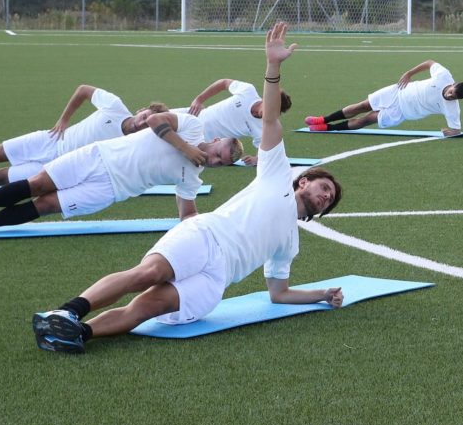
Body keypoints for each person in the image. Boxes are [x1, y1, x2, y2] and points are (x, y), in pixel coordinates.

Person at [31, 22, 343, 354]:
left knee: (147, 307)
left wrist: (322, 295)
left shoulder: (291, 243)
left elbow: (279, 293)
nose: (325, 196)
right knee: (147, 274)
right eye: (325, 187)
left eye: (329, 199)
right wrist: (273, 67)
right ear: (304, 181)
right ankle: (68, 310)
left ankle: (75, 332)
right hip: (206, 236)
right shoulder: (275, 173)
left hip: (216, 280)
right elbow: (269, 120)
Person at [0, 111, 242, 234]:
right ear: (216, 141)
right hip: (99, 156)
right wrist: (186, 148)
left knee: (45, 204)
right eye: (218, 153)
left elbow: (187, 214)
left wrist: (210, 226)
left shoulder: (192, 178)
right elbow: (155, 122)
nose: (215, 160)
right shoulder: (191, 126)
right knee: (36, 183)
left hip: (109, 189)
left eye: (221, 163)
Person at [0, 85, 164, 194]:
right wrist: (64, 119)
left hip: (54, 167)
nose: (144, 122)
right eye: (146, 116)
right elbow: (83, 90)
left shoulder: (132, 145)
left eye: (149, 125)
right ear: (141, 110)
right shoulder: (115, 106)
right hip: (50, 140)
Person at [305, 60, 463, 137]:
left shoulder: (452, 108)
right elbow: (429, 63)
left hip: (401, 112)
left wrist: (450, 132)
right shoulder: (444, 76)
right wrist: (409, 73)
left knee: (366, 120)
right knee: (361, 106)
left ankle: (327, 128)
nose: (449, 95)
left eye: (453, 97)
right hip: (397, 91)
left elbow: (456, 129)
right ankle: (321, 119)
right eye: (451, 91)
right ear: (452, 84)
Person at [177, 78, 291, 165]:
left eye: (274, 112)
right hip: (190, 115)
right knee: (159, 115)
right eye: (270, 107)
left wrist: (257, 159)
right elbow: (224, 83)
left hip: (197, 142)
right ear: (267, 99)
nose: (269, 113)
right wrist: (199, 100)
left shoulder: (262, 127)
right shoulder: (248, 91)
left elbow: (265, 148)